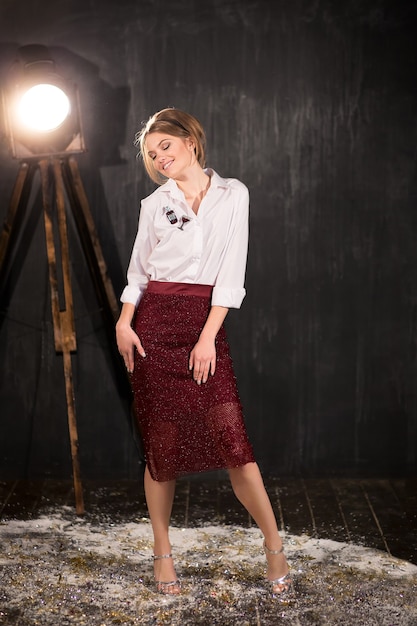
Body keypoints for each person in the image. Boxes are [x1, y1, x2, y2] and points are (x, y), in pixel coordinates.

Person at [115, 107, 292, 598]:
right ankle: (162, 552)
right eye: (152, 155)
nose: (160, 158)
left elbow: (231, 275)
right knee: (162, 448)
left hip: (202, 326)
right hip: (152, 328)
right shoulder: (156, 203)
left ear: (190, 140)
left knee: (233, 443)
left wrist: (208, 335)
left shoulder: (234, 194)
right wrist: (124, 322)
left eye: (165, 147)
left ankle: (274, 545)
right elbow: (137, 274)